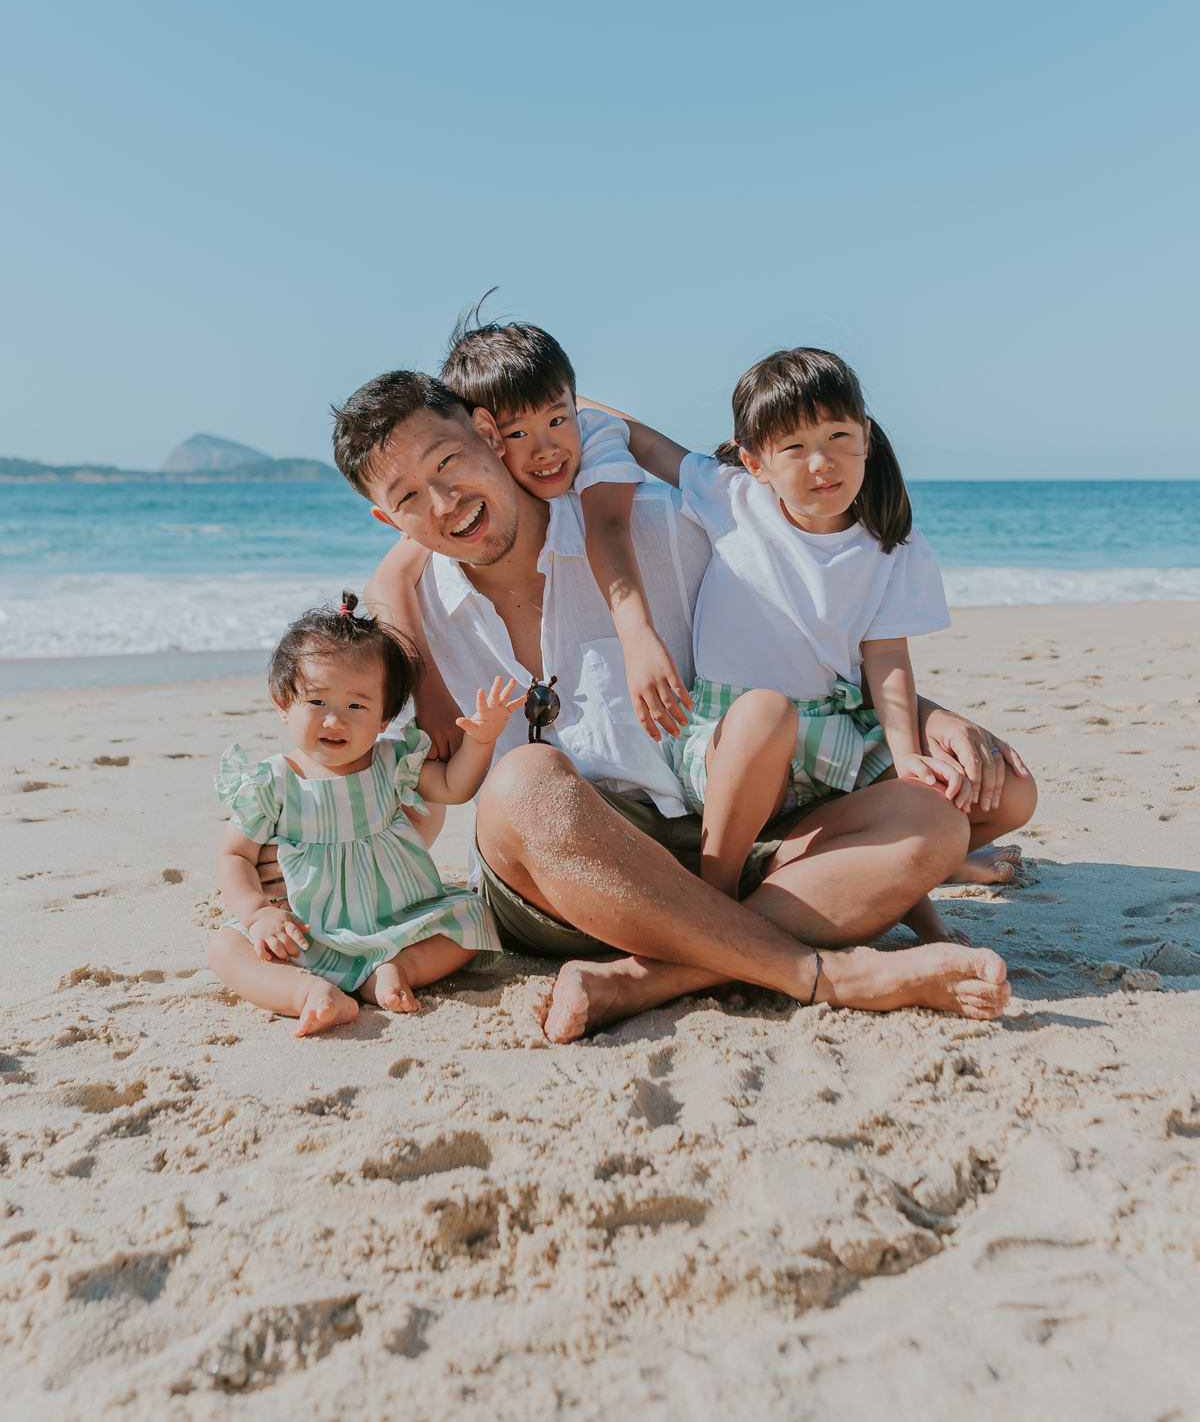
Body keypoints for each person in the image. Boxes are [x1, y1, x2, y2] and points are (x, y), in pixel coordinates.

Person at [310, 369, 1018, 1041]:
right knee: (522, 780)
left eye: (447, 463)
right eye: (409, 497)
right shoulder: (405, 628)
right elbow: (381, 780)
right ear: (387, 518)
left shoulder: (660, 527)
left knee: (930, 819)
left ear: (490, 436)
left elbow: (796, 640)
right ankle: (821, 973)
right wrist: (281, 876)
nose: (443, 502)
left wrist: (928, 716)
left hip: (720, 841)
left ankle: (650, 978)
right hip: (566, 880)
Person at [583, 348, 1035, 946]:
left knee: (1012, 794)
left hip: (836, 736)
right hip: (734, 740)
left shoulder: (891, 546)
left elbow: (887, 660)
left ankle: (885, 870)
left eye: (838, 436)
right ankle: (717, 896)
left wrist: (906, 759)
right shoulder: (732, 496)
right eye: (794, 447)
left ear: (865, 437)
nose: (821, 462)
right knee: (766, 712)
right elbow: (642, 440)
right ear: (755, 461)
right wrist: (561, 403)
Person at [368, 296, 692, 750]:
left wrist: (718, 479)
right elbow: (389, 579)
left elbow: (617, 515)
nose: (545, 450)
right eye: (516, 433)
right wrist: (430, 695)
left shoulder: (594, 442)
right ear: (488, 436)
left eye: (559, 419)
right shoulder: (456, 516)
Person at [207, 592, 519, 1037]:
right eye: (317, 703)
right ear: (283, 703)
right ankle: (309, 994)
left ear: (384, 717)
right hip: (306, 931)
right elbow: (234, 855)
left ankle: (395, 970)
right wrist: (258, 914)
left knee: (473, 915)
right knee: (226, 947)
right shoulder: (272, 782)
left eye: (356, 706)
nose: (335, 720)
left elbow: (455, 786)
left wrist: (482, 740)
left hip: (397, 921)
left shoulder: (392, 762)